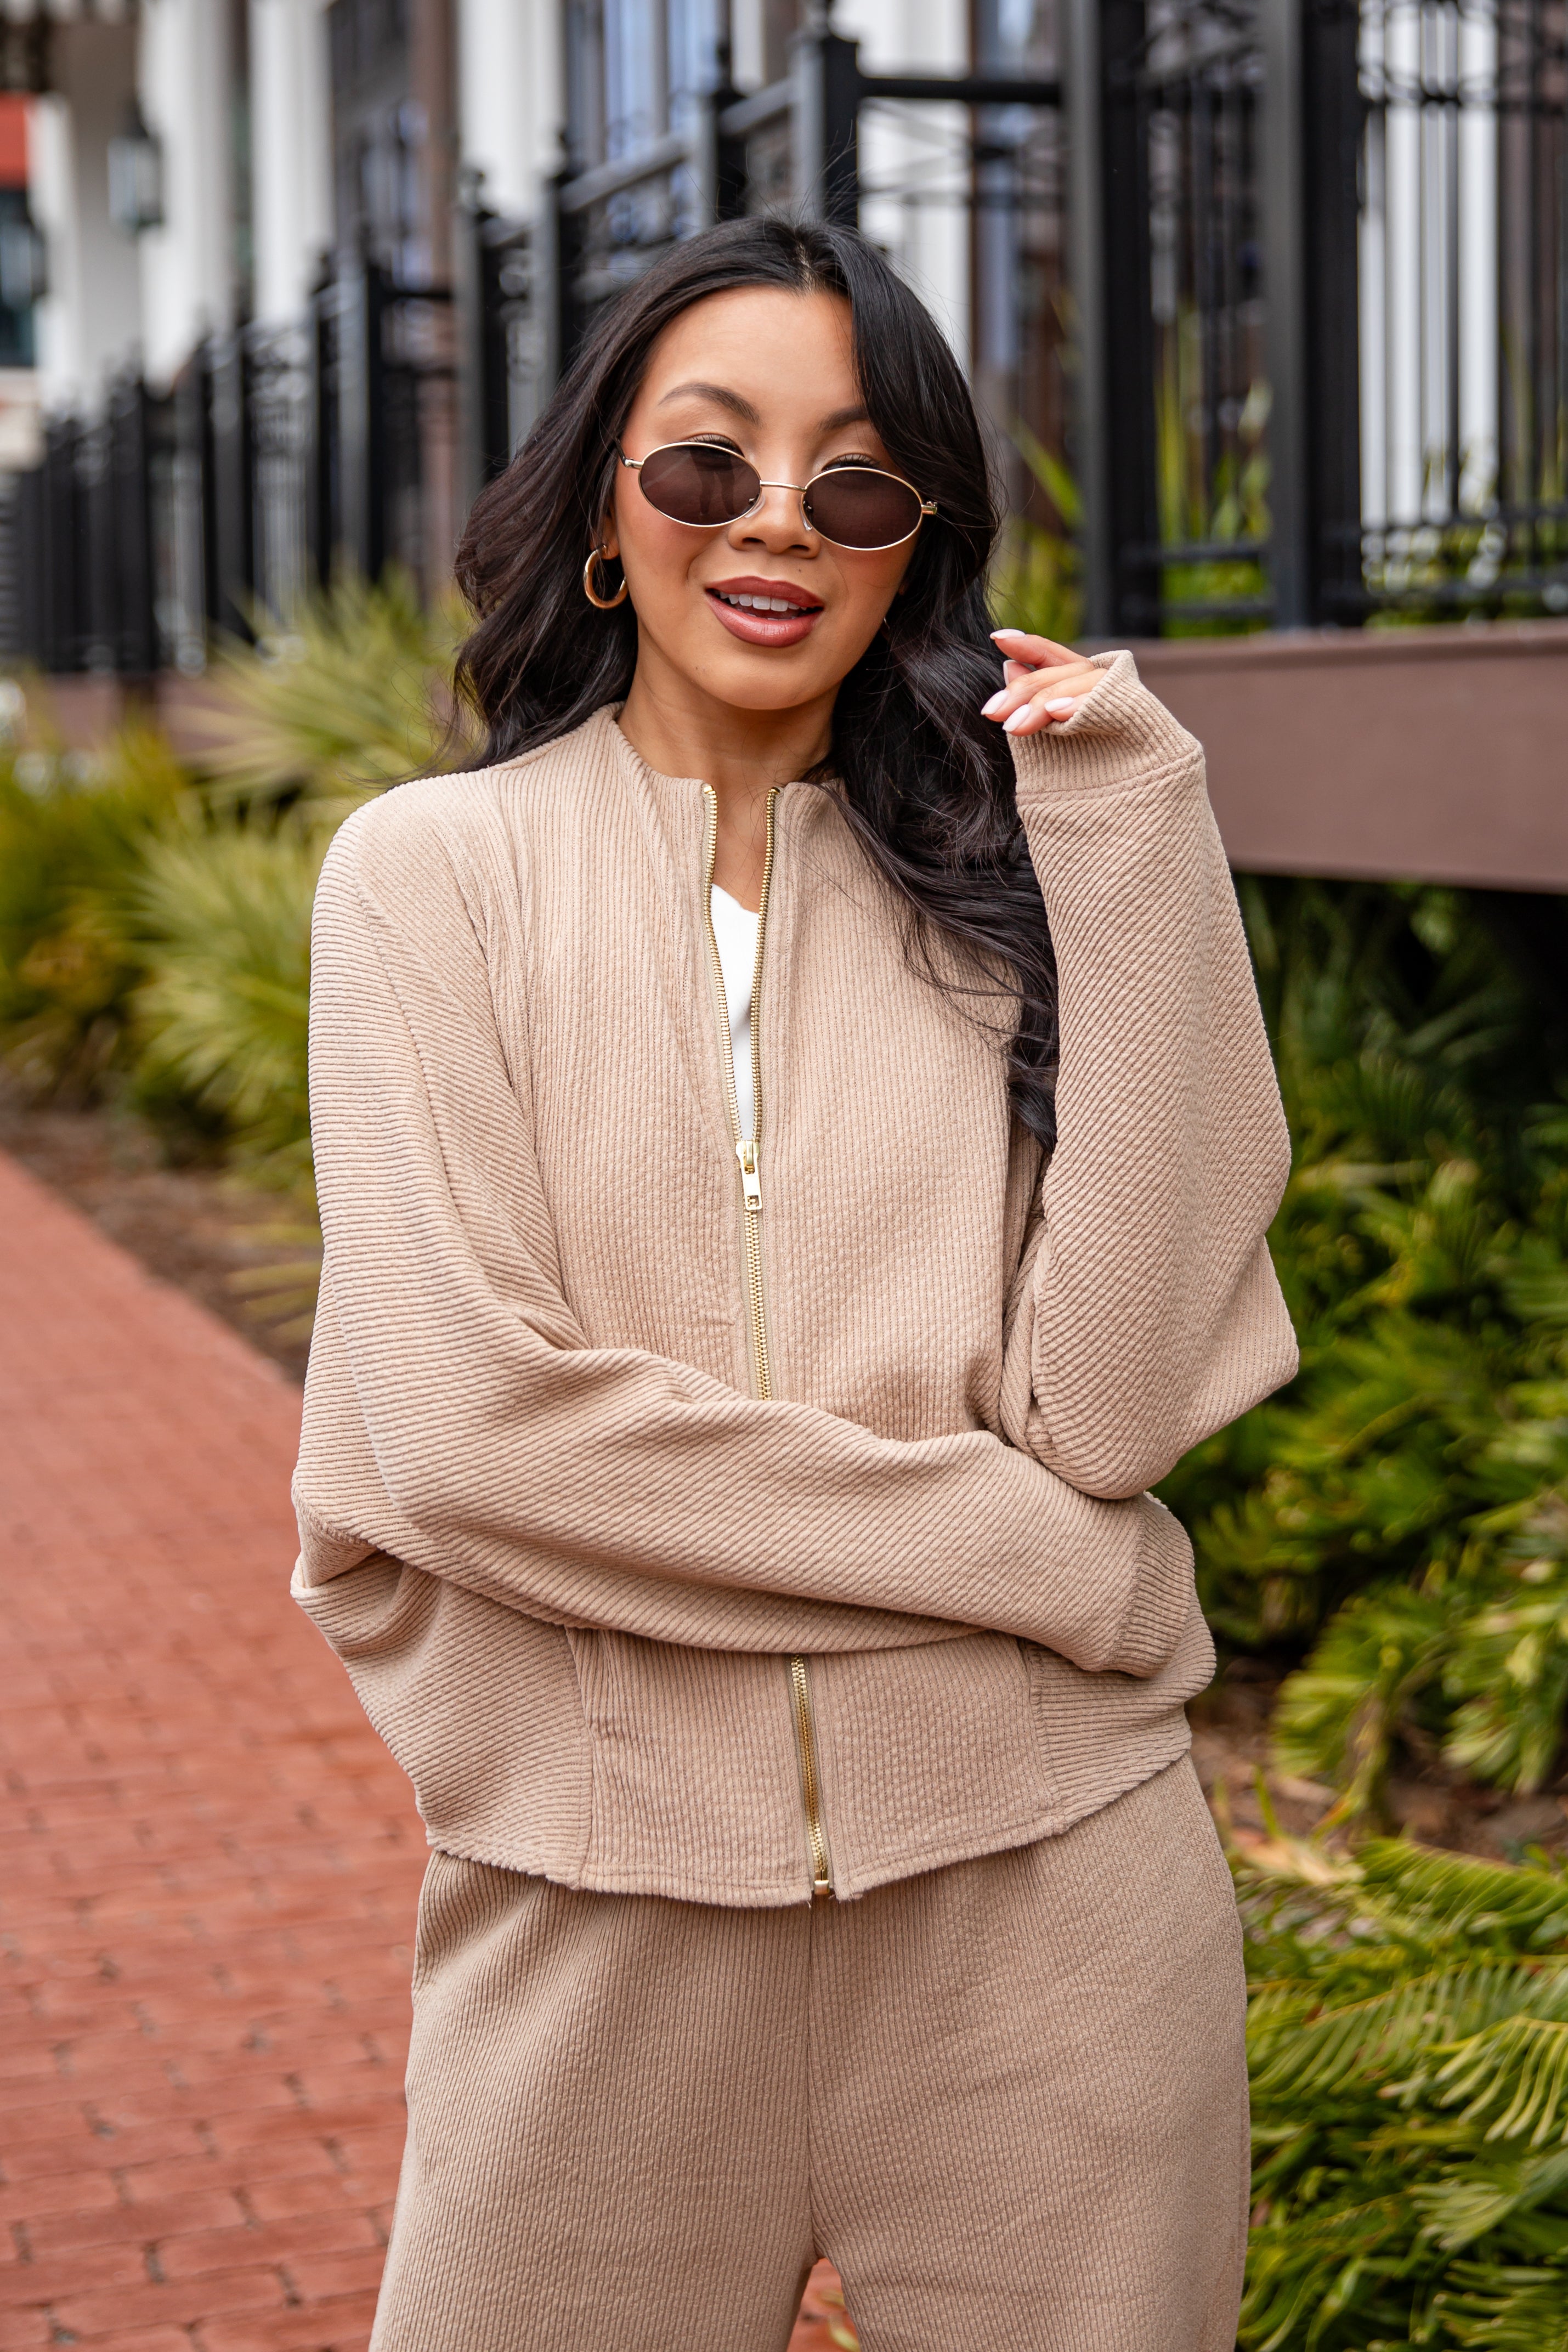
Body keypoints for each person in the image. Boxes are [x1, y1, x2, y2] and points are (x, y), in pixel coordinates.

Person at [292, 215, 1297, 2352]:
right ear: (594, 512)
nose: (774, 525)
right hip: (597, 1932)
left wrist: (1136, 841)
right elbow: (474, 1441)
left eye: (852, 482)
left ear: (908, 545)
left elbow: (1106, 1414)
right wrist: (1041, 1563)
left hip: (1053, 1921)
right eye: (702, 463)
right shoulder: (427, 882)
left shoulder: (1000, 890)